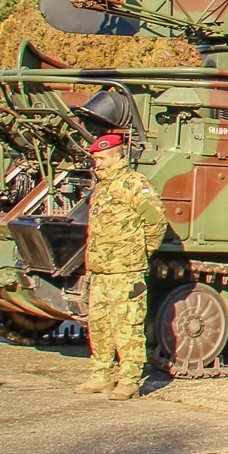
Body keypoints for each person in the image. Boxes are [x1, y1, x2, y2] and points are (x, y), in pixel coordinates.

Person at [73, 131, 166, 401]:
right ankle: (101, 375)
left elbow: (156, 221)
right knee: (99, 324)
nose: (96, 164)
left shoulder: (135, 184)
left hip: (125, 270)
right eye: (95, 159)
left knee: (127, 326)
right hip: (101, 270)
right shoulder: (101, 188)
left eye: (101, 158)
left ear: (116, 157)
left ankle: (128, 379)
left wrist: (140, 251)